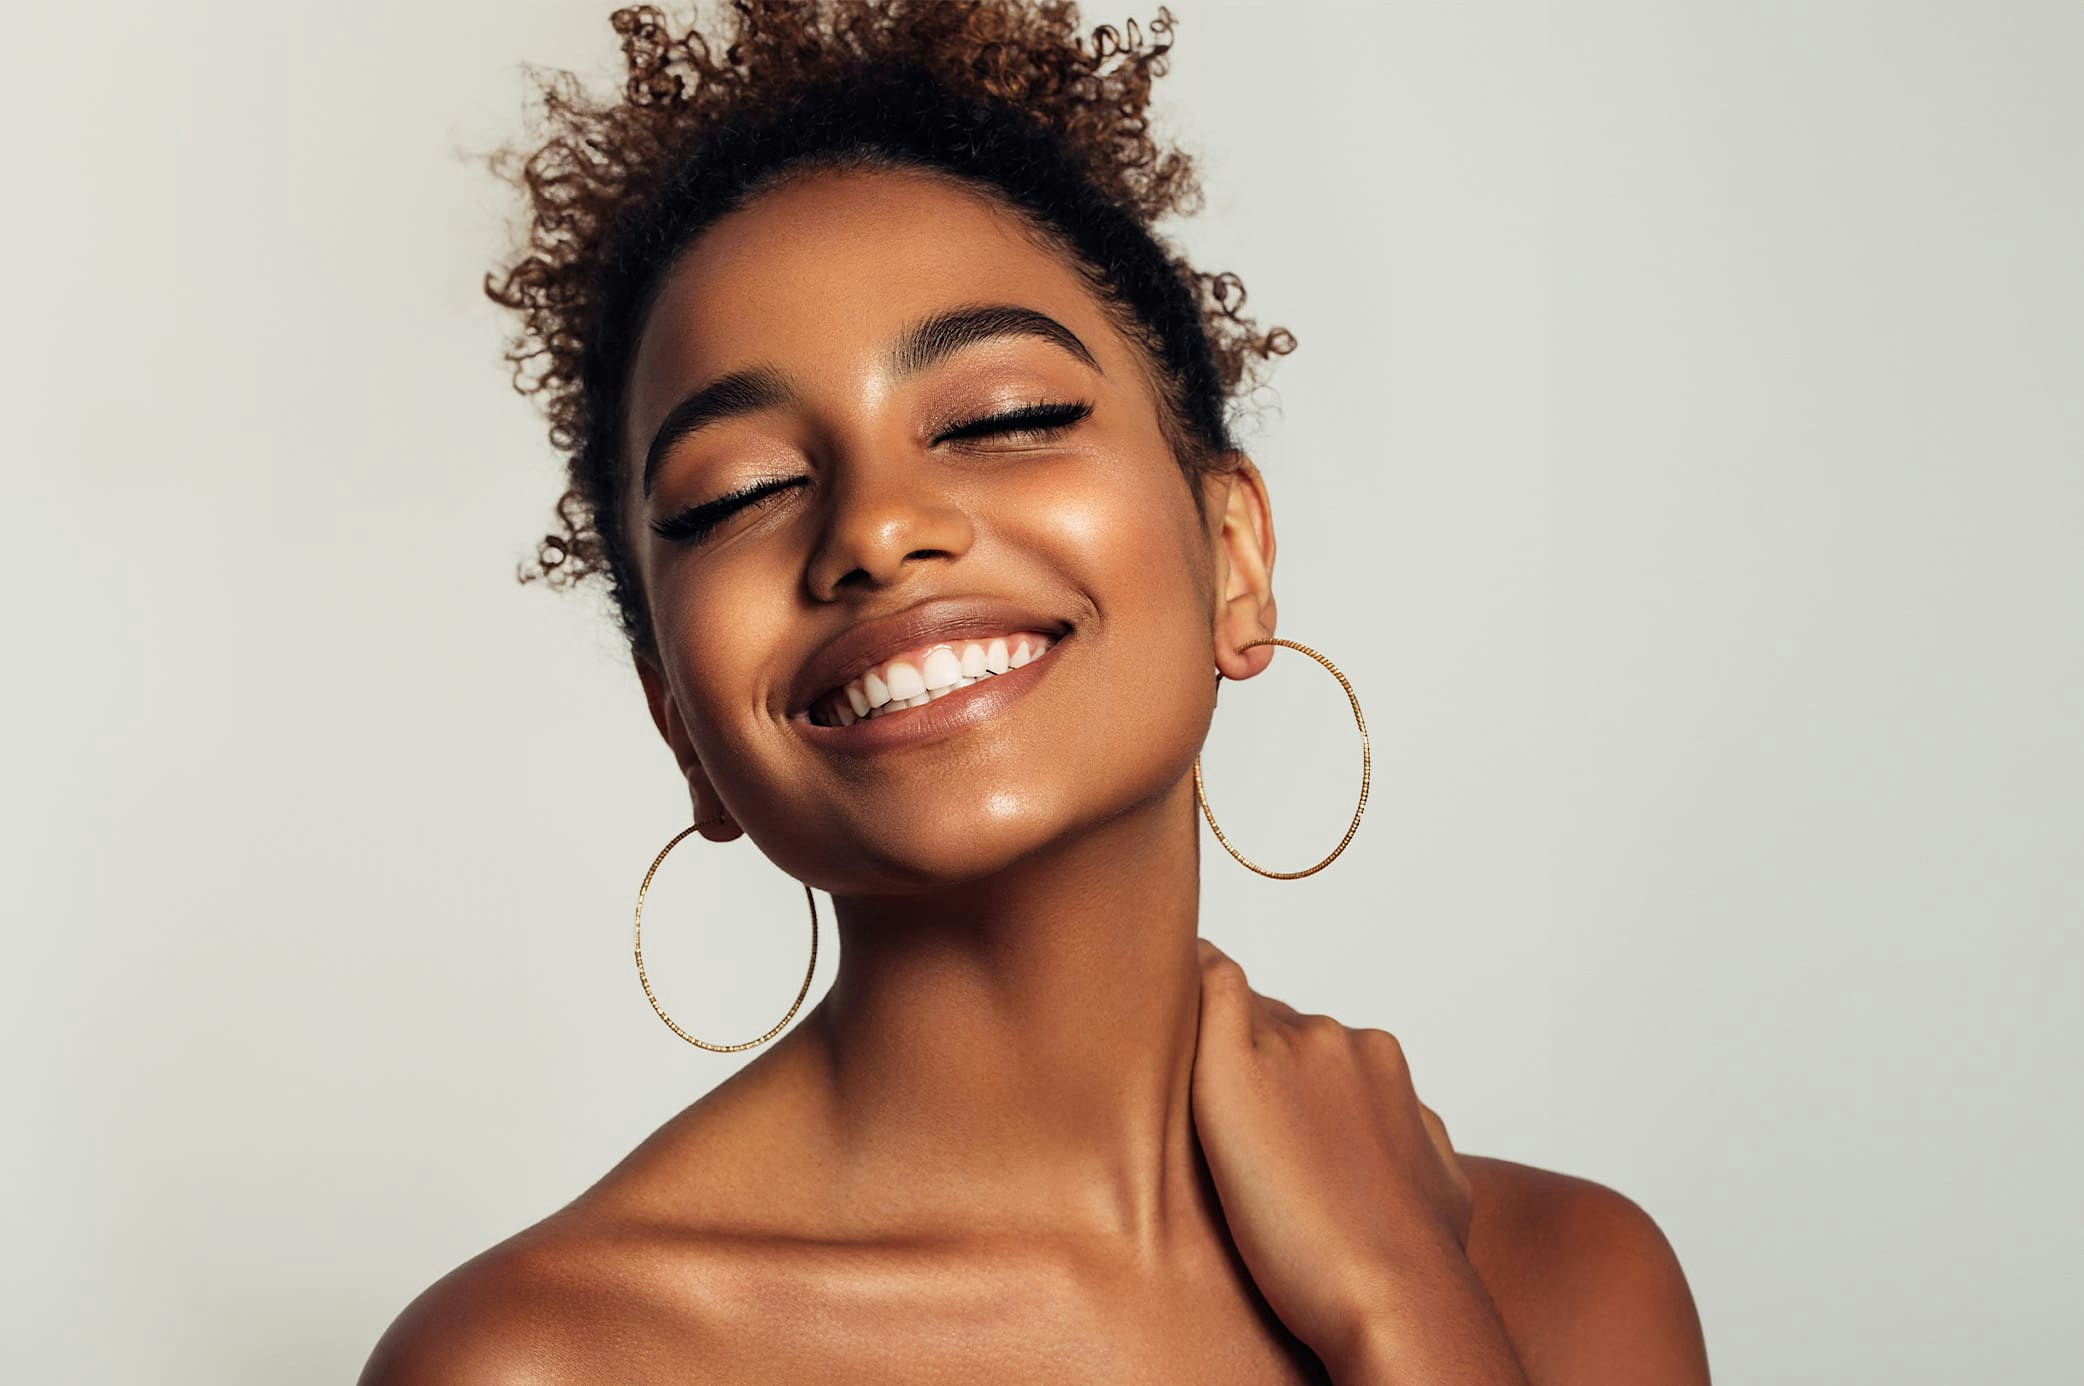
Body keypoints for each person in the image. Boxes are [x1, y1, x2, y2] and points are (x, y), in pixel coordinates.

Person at [362, 2, 1711, 1380]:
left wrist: (1406, 1302)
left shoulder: (1568, 1278)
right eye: (741, 493)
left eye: (1005, 419)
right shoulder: (546, 1359)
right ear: (682, 728)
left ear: (1233, 555)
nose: (878, 529)